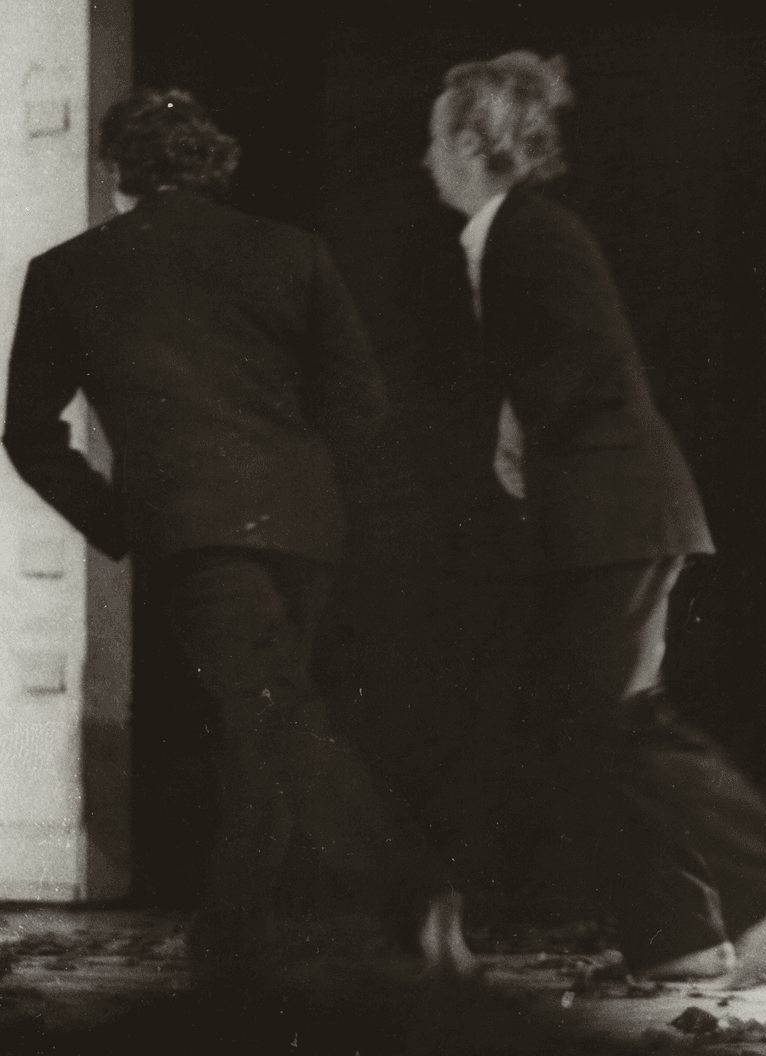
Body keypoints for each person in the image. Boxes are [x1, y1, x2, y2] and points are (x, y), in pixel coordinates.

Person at [3, 89, 474, 983]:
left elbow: (27, 432)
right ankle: (232, 934)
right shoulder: (291, 252)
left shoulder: (70, 270)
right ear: (210, 162)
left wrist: (118, 519)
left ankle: (410, 890)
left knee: (272, 711)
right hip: (302, 522)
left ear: (116, 173)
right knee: (267, 714)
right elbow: (361, 404)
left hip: (192, 529)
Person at [422, 51, 766, 985]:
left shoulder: (532, 230)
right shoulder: (504, 234)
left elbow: (585, 362)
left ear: (475, 144)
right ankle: (679, 938)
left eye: (435, 137)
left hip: (618, 513)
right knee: (587, 726)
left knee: (616, 719)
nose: (424, 158)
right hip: (606, 515)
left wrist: (520, 431)